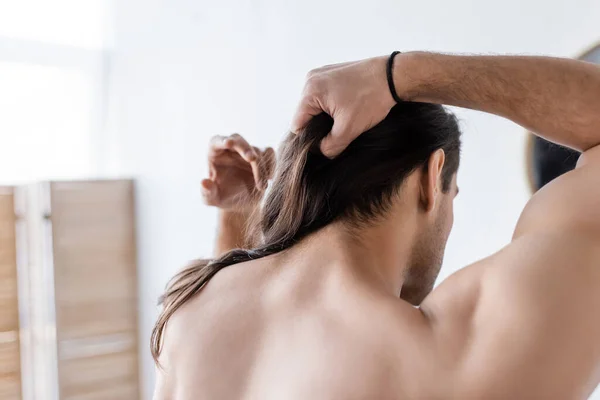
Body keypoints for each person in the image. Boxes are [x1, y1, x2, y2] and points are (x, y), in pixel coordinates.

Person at [152, 52, 600, 399]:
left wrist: (240, 218)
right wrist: (398, 74)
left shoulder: (188, 312)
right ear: (431, 176)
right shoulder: (451, 357)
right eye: (452, 196)